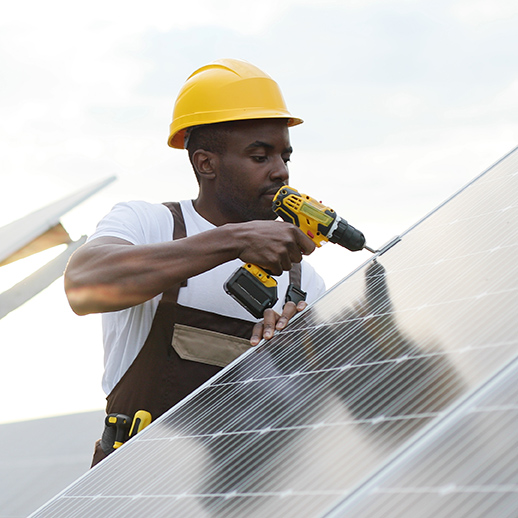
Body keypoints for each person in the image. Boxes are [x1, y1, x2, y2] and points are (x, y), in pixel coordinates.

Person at [64, 58, 326, 466]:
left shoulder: (303, 277)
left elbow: (322, 412)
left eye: (284, 156)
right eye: (260, 157)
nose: (281, 172)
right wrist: (234, 239)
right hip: (131, 487)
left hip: (246, 493)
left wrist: (294, 355)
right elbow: (83, 286)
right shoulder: (146, 224)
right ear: (206, 163)